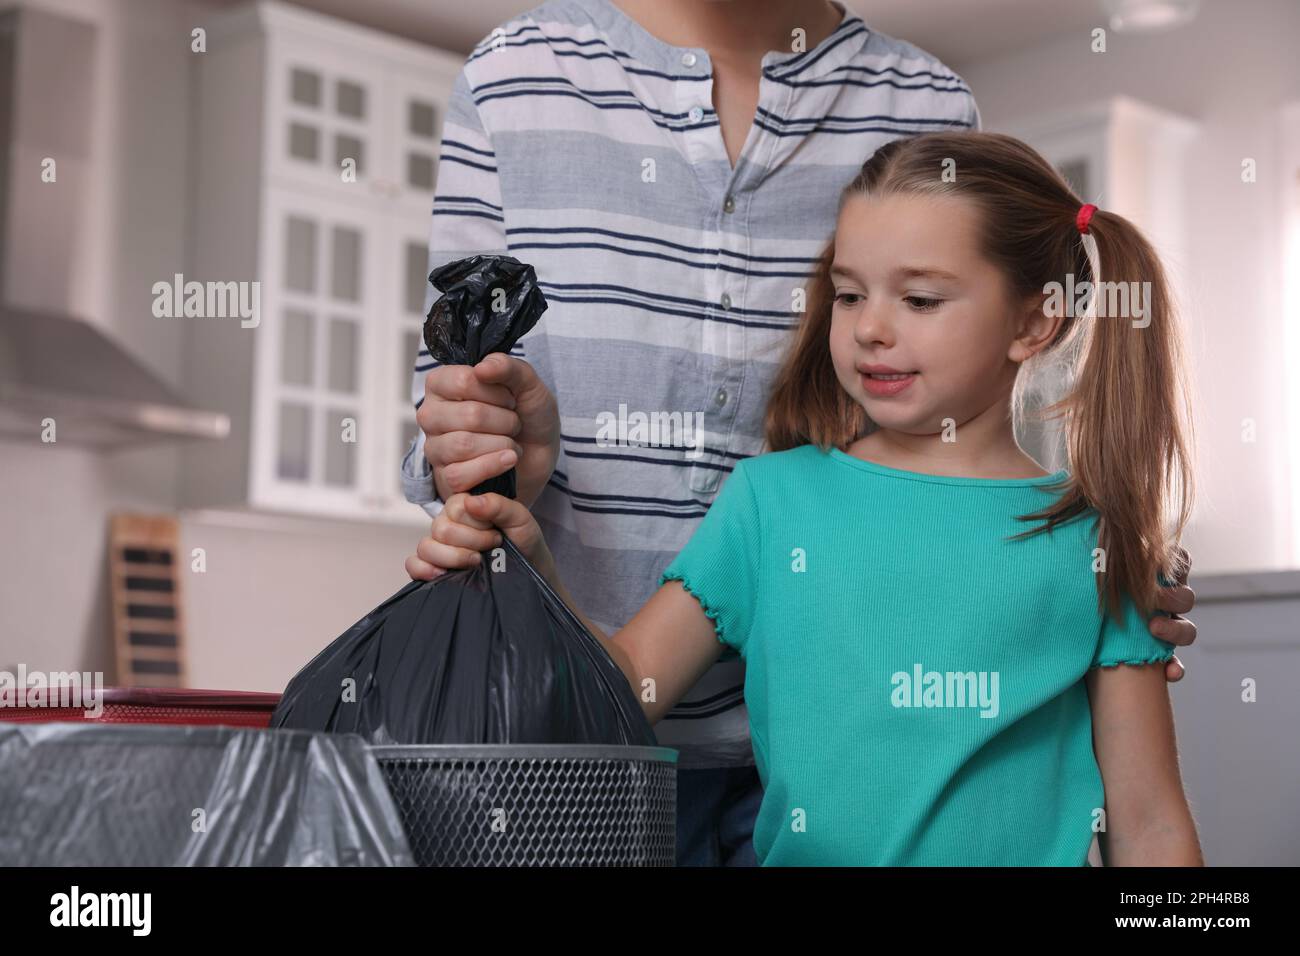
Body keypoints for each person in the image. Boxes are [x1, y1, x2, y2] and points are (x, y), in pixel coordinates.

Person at [402, 0, 1199, 865]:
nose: (869, 329)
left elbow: (1151, 824)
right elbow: (626, 686)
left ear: (1035, 325)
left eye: (920, 299)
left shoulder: (1093, 541)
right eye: (848, 294)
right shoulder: (772, 504)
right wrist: (532, 570)